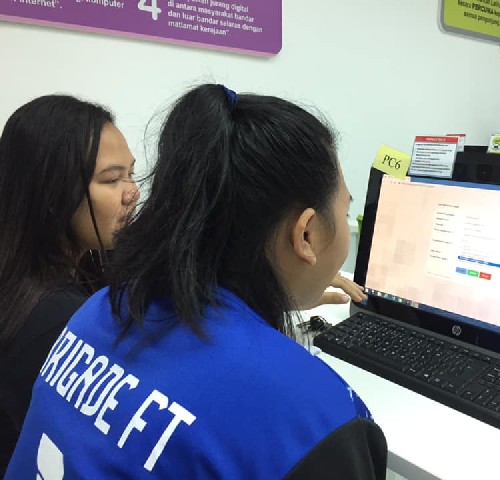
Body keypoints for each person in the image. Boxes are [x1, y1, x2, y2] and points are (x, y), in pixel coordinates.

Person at [6, 84, 387, 479]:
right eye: (344, 212)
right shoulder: (320, 419)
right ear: (306, 234)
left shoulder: (98, 310)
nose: (131, 193)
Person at [0, 95, 139, 474]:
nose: (133, 193)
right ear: (52, 192)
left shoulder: (79, 274)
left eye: (132, 174)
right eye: (112, 179)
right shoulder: (56, 321)